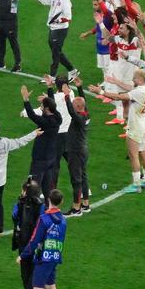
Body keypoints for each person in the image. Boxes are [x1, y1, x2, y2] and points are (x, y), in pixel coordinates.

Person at [93, 68, 145, 193]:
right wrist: (116, 82)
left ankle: (136, 184)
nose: (133, 80)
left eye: (135, 78)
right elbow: (131, 90)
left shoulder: (138, 92)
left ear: (140, 79)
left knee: (133, 155)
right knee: (143, 152)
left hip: (135, 126)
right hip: (144, 125)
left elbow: (118, 97)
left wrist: (101, 91)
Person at [17, 188, 68, 289]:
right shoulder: (63, 219)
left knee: (37, 288)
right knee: (50, 285)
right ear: (61, 202)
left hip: (44, 256)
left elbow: (34, 241)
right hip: (56, 254)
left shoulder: (44, 219)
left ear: (48, 200)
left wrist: (22, 255)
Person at [30, 0, 75, 78]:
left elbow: (68, 17)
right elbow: (44, 1)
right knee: (57, 52)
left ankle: (52, 76)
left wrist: (58, 20)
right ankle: (73, 71)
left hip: (60, 30)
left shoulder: (65, 0)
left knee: (55, 54)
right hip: (52, 28)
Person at [22, 84, 63, 193]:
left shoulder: (45, 122)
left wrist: (26, 100)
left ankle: (32, 206)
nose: (41, 107)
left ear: (47, 108)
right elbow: (54, 107)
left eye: (42, 106)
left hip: (40, 159)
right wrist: (49, 95)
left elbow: (31, 115)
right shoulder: (58, 118)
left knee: (33, 186)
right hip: (51, 157)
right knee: (47, 187)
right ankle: (47, 206)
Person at [11, 177, 44, 289]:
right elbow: (14, 216)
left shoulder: (39, 206)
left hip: (34, 243)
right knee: (25, 274)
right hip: (23, 242)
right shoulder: (21, 204)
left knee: (32, 273)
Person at [59, 79, 91, 214]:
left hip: (75, 151)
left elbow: (72, 111)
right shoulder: (85, 114)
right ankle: (85, 204)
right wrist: (80, 88)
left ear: (77, 107)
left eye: (73, 104)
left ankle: (76, 207)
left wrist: (66, 96)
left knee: (76, 179)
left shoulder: (79, 118)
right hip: (82, 150)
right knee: (83, 176)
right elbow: (81, 103)